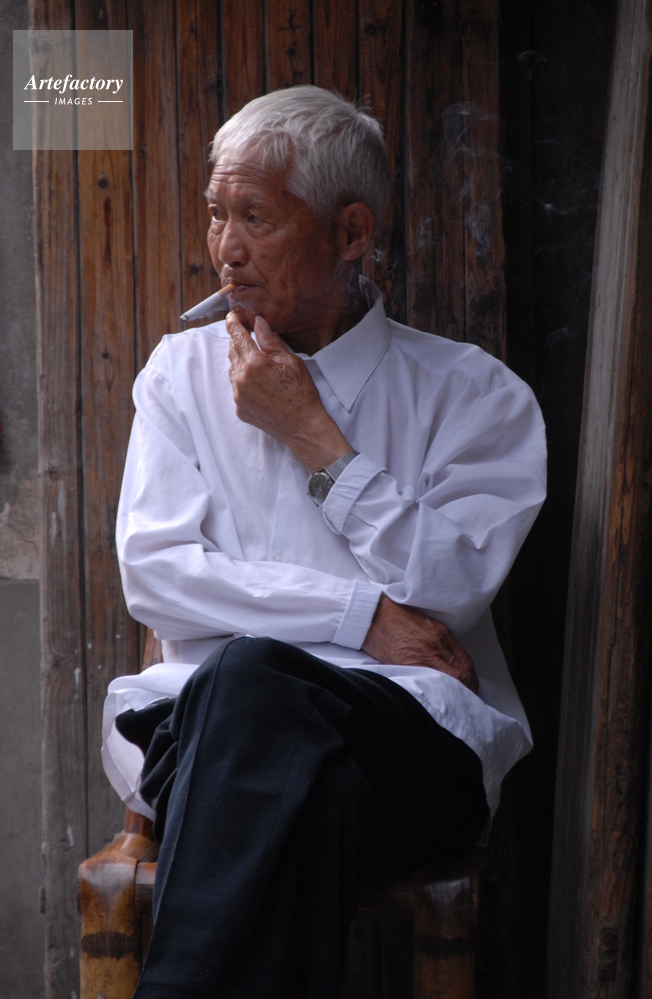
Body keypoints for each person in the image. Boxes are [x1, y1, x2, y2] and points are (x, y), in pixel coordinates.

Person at [103, 85, 546, 999]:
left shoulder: (474, 394)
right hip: (193, 736)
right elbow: (156, 576)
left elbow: (453, 585)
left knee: (253, 681)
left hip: (408, 745)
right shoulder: (179, 376)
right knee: (264, 715)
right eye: (216, 213)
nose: (225, 246)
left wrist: (315, 438)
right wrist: (361, 615)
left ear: (351, 232)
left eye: (255, 217)